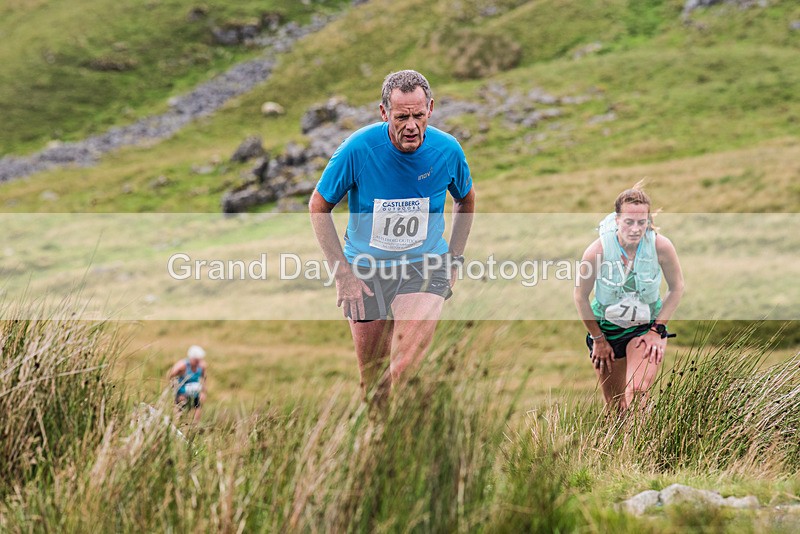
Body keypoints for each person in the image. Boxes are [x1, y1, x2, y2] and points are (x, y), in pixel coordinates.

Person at [309, 69, 476, 409]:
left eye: (418, 115)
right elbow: (318, 206)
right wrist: (343, 274)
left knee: (406, 367)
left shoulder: (447, 150)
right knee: (373, 384)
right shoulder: (358, 149)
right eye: (402, 117)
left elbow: (466, 199)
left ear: (431, 108)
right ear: (384, 113)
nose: (411, 125)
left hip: (424, 267)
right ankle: (380, 449)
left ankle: (414, 440)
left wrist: (454, 259)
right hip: (366, 272)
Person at [574, 182, 684, 412]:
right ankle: (621, 448)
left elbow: (676, 288)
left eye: (641, 223)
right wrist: (599, 340)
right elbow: (581, 297)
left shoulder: (661, 247)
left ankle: (647, 446)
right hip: (606, 331)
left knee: (638, 391)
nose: (635, 229)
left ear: (649, 222)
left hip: (645, 329)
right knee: (616, 408)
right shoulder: (597, 251)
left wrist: (657, 331)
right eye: (629, 222)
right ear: (617, 220)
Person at [167, 344, 207, 423]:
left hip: (195, 391)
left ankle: (194, 428)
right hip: (182, 392)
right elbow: (170, 376)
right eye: (196, 360)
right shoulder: (182, 366)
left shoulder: (202, 366)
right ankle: (176, 425)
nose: (198, 362)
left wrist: (203, 392)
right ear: (191, 358)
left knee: (197, 408)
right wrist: (175, 391)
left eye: (199, 360)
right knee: (179, 409)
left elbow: (204, 378)